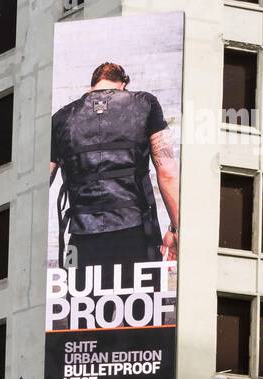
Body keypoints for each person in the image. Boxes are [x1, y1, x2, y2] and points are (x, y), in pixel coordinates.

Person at [50, 61, 180, 277]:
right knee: (140, 309)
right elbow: (167, 172)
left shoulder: (61, 118)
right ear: (123, 85)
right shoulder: (145, 104)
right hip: (135, 234)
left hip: (80, 239)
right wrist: (176, 230)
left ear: (92, 87)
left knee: (81, 309)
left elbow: (37, 186)